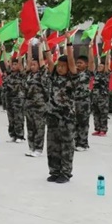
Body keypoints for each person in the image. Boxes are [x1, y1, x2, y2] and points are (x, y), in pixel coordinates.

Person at [42, 36, 77, 184]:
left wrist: (68, 42)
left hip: (66, 117)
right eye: (59, 66)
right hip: (52, 116)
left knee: (66, 145)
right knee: (52, 145)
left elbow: (70, 59)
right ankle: (54, 171)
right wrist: (45, 43)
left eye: (64, 66)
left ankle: (65, 172)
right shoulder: (54, 76)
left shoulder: (72, 77)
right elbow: (50, 61)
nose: (61, 68)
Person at [23, 40, 48, 158]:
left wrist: (39, 47)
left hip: (39, 105)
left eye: (35, 64)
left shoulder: (42, 73)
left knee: (39, 127)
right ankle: (31, 147)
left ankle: (38, 148)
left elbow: (42, 60)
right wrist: (28, 47)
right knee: (30, 127)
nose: (32, 66)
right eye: (31, 65)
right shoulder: (29, 74)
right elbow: (28, 60)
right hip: (29, 105)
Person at [73, 50, 95, 151]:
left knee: (83, 122)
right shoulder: (74, 73)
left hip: (84, 102)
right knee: (74, 122)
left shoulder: (87, 73)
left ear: (86, 64)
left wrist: (90, 49)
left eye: (80, 63)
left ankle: (83, 143)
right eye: (77, 63)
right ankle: (76, 141)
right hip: (74, 101)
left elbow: (92, 63)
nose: (78, 65)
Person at [2, 55, 25, 143]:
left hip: (18, 98)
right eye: (12, 64)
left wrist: (19, 52)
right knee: (10, 117)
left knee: (18, 117)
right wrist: (4, 51)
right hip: (9, 98)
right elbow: (6, 63)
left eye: (15, 64)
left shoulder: (21, 74)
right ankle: (13, 135)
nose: (13, 66)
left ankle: (20, 136)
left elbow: (20, 64)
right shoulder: (9, 73)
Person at [91, 51, 111, 137]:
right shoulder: (96, 73)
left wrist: (107, 53)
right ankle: (97, 129)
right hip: (95, 96)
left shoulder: (106, 74)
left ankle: (103, 129)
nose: (99, 67)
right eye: (99, 66)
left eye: (101, 66)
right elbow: (93, 64)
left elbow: (107, 64)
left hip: (103, 96)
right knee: (96, 113)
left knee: (103, 113)